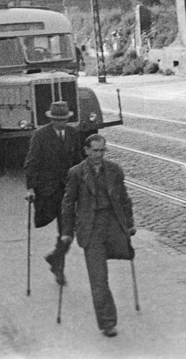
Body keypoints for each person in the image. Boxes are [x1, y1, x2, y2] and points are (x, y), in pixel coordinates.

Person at [60, 134, 135, 338]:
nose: (98, 155)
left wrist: (129, 224)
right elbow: (68, 204)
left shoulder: (114, 170)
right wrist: (67, 232)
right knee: (99, 280)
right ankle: (107, 322)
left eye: (102, 150)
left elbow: (124, 199)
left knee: (127, 255)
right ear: (86, 150)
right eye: (94, 150)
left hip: (112, 226)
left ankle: (107, 318)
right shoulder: (76, 173)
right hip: (90, 230)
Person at [24, 101, 85, 285]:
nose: (61, 123)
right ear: (51, 119)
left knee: (68, 230)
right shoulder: (40, 135)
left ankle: (56, 261)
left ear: (68, 119)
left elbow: (78, 160)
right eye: (57, 120)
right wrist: (30, 188)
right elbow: (31, 162)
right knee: (61, 227)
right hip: (48, 189)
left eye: (64, 120)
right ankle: (58, 265)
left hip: (68, 189)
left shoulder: (73, 133)